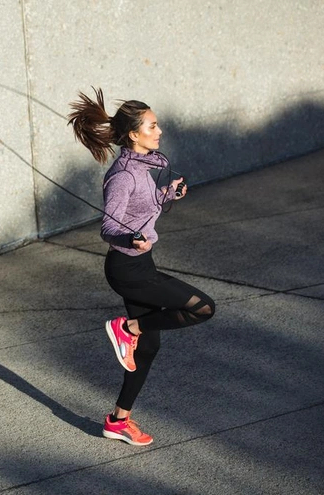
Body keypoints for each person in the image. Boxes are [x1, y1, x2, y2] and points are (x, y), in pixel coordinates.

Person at [68, 88, 215, 446]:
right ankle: (127, 327)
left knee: (148, 350)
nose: (159, 130)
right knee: (202, 307)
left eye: (157, 124)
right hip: (128, 269)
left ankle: (118, 421)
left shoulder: (152, 164)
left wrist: (169, 194)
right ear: (134, 134)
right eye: (152, 126)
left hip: (141, 264)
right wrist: (129, 238)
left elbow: (147, 204)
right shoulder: (122, 176)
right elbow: (109, 226)